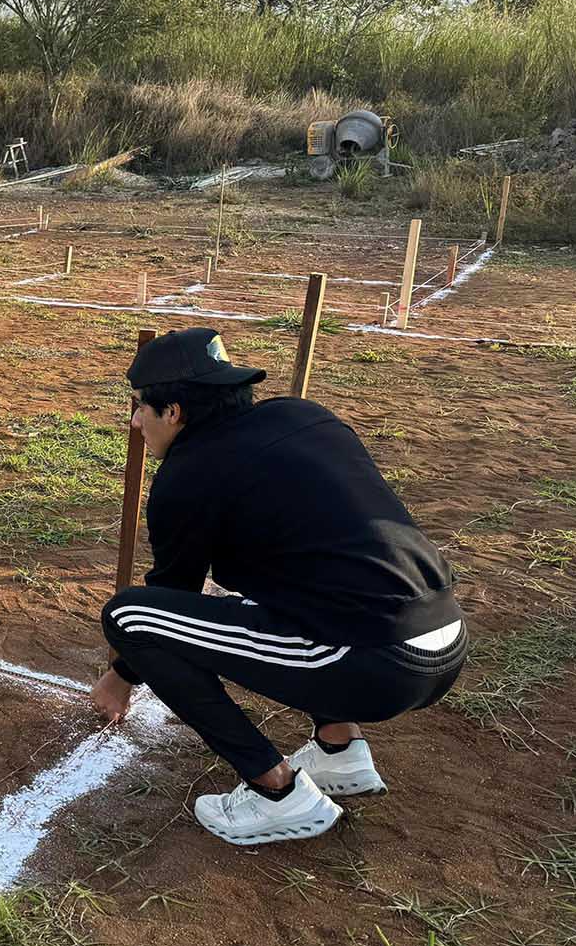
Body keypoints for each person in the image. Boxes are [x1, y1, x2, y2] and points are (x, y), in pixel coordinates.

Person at [91, 328, 466, 847]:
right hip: (444, 633)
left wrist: (120, 676)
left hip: (375, 663)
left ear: (173, 411)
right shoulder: (302, 416)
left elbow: (171, 597)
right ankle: (340, 750)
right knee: (288, 586)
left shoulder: (188, 475)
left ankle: (277, 792)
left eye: (139, 408)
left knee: (130, 617)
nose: (135, 422)